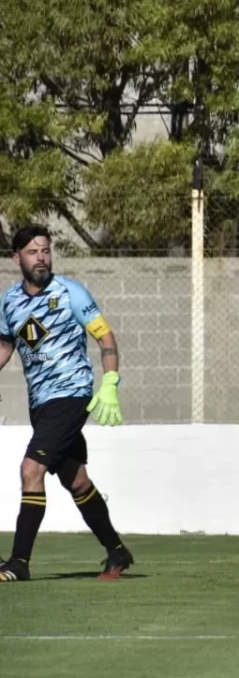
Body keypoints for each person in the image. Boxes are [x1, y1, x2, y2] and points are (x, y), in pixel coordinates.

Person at [0, 225, 130, 582]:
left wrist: (110, 382)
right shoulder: (9, 301)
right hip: (41, 403)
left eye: (45, 250)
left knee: (31, 470)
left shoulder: (70, 292)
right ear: (17, 258)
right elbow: (6, 346)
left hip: (70, 395)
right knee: (77, 481)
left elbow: (104, 334)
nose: (41, 257)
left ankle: (18, 563)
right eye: (32, 251)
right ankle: (117, 551)